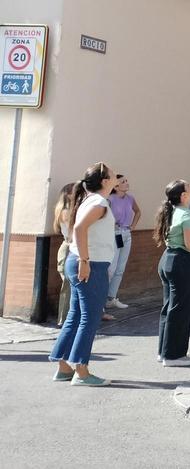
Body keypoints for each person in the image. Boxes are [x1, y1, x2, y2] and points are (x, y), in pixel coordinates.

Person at [49, 162, 118, 386]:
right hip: (89, 264)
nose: (116, 175)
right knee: (89, 317)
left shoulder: (90, 200)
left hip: (81, 262)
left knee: (76, 316)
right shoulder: (98, 201)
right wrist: (85, 261)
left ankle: (63, 367)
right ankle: (82, 371)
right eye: (112, 174)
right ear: (105, 181)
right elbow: (80, 229)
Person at [153, 180, 190, 367]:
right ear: (183, 196)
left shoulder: (173, 212)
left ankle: (165, 352)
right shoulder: (186, 214)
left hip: (169, 259)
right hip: (181, 261)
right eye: (188, 187)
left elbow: (181, 236)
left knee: (169, 307)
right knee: (181, 308)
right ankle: (174, 355)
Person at [106, 174, 141, 310]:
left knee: (120, 268)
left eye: (126, 180)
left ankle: (111, 298)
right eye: (123, 182)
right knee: (111, 268)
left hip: (126, 233)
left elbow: (138, 212)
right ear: (116, 186)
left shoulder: (130, 198)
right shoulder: (110, 199)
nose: (126, 183)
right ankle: (102, 299)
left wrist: (133, 226)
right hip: (114, 234)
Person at [52, 183, 75, 326]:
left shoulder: (67, 210)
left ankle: (66, 319)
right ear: (68, 194)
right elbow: (74, 232)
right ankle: (64, 319)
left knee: (70, 286)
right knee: (68, 286)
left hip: (69, 248)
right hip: (68, 248)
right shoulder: (66, 211)